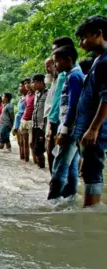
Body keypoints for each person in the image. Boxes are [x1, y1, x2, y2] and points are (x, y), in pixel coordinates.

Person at [73, 15, 107, 207]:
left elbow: (106, 98)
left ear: (98, 34)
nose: (81, 43)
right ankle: (90, 209)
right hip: (90, 128)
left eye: (84, 37)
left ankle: (92, 210)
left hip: (96, 131)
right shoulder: (98, 60)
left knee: (92, 171)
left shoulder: (104, 62)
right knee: (89, 170)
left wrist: (93, 128)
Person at [47, 45, 84, 201]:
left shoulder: (74, 77)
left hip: (70, 128)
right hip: (72, 127)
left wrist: (64, 130)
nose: (55, 66)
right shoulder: (73, 75)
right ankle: (69, 200)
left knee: (60, 166)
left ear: (68, 60)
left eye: (57, 62)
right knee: (71, 167)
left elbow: (73, 105)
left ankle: (53, 201)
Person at [44, 57, 59, 174]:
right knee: (50, 151)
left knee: (53, 152)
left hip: (56, 122)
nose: (47, 69)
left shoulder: (63, 79)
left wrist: (51, 124)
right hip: (50, 120)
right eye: (46, 67)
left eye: (48, 66)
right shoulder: (53, 82)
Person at [32, 74, 48, 168]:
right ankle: (40, 168)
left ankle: (42, 167)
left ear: (41, 82)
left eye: (34, 82)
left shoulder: (49, 93)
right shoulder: (37, 94)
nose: (33, 84)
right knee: (35, 148)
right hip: (35, 125)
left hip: (42, 126)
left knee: (38, 149)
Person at [20, 78, 35, 163]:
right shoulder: (26, 96)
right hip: (24, 120)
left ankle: (36, 161)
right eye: (25, 83)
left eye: (28, 83)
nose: (27, 85)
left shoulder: (36, 94)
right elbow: (26, 108)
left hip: (31, 121)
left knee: (31, 143)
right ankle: (26, 160)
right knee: (24, 142)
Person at [13, 80, 27, 160]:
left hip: (23, 122)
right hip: (17, 123)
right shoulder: (20, 98)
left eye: (21, 86)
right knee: (19, 142)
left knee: (24, 142)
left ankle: (26, 158)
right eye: (19, 86)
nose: (19, 88)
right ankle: (22, 159)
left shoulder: (27, 98)